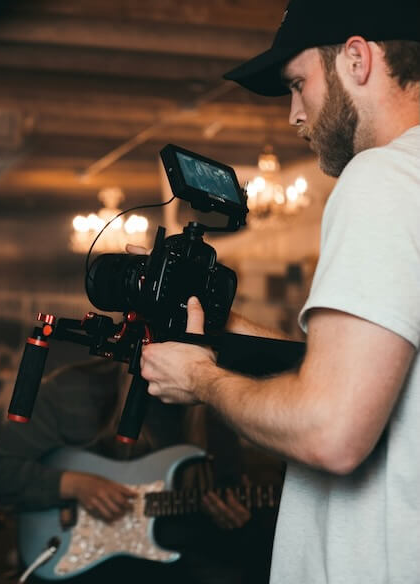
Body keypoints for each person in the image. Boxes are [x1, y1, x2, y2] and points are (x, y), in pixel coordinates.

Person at [139, 0, 420, 582]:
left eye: (298, 84)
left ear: (358, 59)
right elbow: (376, 379)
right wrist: (230, 333)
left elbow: (331, 429)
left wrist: (199, 378)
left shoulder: (383, 178)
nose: (295, 115)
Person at [0, 357, 282, 583]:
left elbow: (227, 503)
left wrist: (233, 521)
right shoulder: (71, 390)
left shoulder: (217, 410)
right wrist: (73, 485)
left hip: (175, 569)